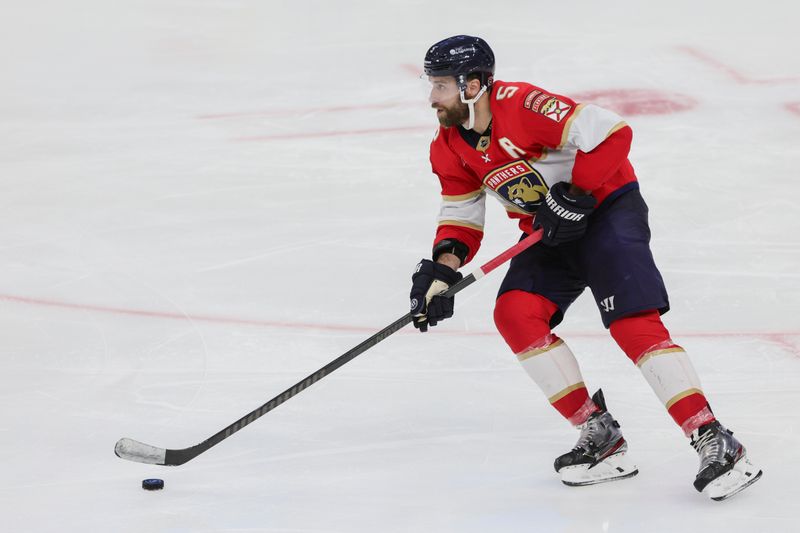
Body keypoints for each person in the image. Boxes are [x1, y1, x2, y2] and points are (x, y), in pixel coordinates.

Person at [408, 35, 762, 500]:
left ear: (472, 84)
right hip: (549, 231)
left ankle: (713, 437)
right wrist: (442, 270)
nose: (432, 98)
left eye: (440, 87)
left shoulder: (523, 104)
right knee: (516, 313)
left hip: (608, 210)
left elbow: (612, 131)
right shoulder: (449, 146)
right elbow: (460, 213)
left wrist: (578, 193)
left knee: (632, 324)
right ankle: (601, 438)